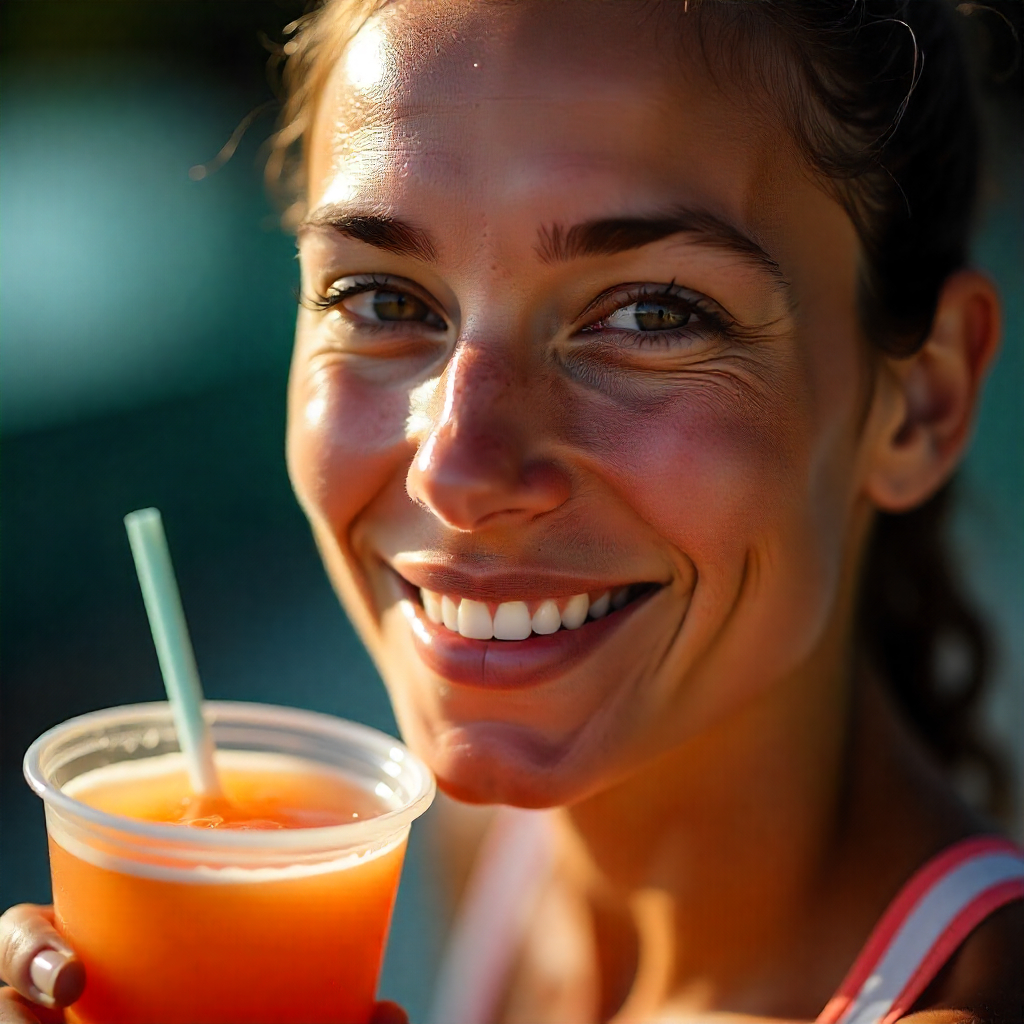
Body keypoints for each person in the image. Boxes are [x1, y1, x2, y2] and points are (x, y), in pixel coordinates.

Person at [2, 1, 1021, 1021]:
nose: (457, 466)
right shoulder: (503, 842)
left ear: (920, 404)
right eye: (384, 301)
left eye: (651, 314)